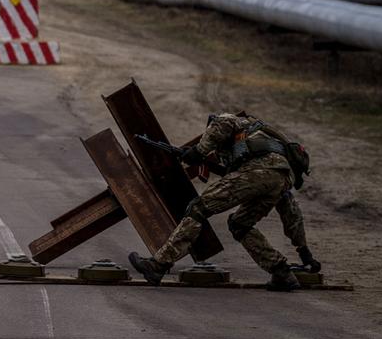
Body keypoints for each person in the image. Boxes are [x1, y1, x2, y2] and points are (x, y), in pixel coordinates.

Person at [128, 113, 318, 292]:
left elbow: (222, 122)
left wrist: (198, 151)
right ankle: (282, 272)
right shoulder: (280, 166)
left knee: (199, 208)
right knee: (240, 225)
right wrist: (304, 251)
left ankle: (158, 264)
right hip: (270, 180)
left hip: (256, 172)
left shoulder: (238, 124)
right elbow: (291, 213)